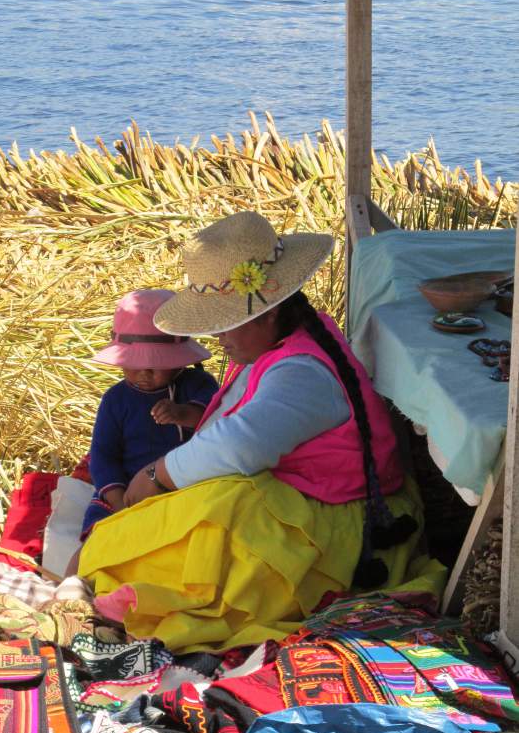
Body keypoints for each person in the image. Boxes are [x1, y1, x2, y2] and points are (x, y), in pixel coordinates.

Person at [78, 212, 443, 653]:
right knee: (211, 500)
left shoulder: (302, 373)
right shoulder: (277, 347)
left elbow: (239, 444)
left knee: (227, 503)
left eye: (225, 322)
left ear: (269, 313)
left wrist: (157, 475)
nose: (216, 338)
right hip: (311, 499)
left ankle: (151, 588)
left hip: (342, 527)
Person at [80, 289, 219, 538]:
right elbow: (103, 457)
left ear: (179, 360)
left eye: (155, 364)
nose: (143, 373)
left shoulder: (198, 384)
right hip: (126, 491)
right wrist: (120, 502)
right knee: (101, 534)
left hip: (184, 487)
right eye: (133, 364)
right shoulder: (115, 400)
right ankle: (79, 575)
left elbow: (217, 425)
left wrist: (183, 414)